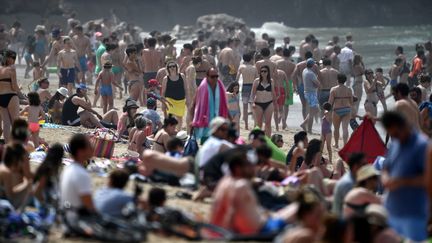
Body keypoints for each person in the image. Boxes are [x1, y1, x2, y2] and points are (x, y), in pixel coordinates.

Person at [210, 147, 292, 234]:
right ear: (238, 168)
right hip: (263, 229)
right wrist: (228, 235)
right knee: (298, 209)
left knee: (291, 209)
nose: (253, 167)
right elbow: (231, 212)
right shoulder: (241, 185)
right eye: (249, 165)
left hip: (264, 222)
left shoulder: (226, 181)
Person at [380, 111, 430, 242]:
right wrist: (385, 178)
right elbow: (386, 167)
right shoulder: (395, 143)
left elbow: (428, 180)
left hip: (414, 214)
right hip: (392, 210)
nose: (395, 137)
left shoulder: (422, 146)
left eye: (396, 133)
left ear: (404, 126)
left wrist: (402, 182)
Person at [191, 68, 230, 142]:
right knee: (206, 143)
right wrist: (193, 121)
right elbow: (193, 105)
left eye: (216, 76)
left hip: (218, 120)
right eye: (212, 76)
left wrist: (230, 119)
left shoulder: (220, 87)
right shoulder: (202, 88)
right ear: (207, 76)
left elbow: (224, 105)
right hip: (205, 121)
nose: (215, 78)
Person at [60, 134, 95, 211]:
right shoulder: (81, 174)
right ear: (80, 152)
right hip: (75, 218)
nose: (93, 148)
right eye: (89, 146)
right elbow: (89, 205)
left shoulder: (67, 169)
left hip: (65, 214)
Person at [332, 153, 367, 217]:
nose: (366, 167)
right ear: (355, 166)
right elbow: (352, 211)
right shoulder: (348, 184)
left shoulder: (352, 178)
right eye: (364, 164)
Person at [0, 143, 32, 210]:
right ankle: (18, 213)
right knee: (28, 186)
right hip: (4, 203)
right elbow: (10, 194)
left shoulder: (4, 167)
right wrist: (26, 183)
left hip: (4, 200)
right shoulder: (6, 171)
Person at [292, 51, 320, 120]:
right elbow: (320, 75)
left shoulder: (299, 65)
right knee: (313, 105)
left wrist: (294, 87)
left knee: (304, 106)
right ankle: (312, 120)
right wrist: (318, 84)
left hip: (301, 86)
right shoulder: (314, 65)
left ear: (304, 57)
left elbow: (293, 76)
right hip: (312, 86)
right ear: (312, 57)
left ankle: (305, 120)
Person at [329, 74, 353, 148]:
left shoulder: (333, 89)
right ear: (345, 80)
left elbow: (330, 102)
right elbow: (351, 102)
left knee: (336, 128)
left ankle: (336, 144)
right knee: (345, 128)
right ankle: (345, 144)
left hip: (337, 110)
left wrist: (327, 111)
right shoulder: (349, 89)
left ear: (337, 80)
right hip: (346, 109)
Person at [0, 50, 20, 142]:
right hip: (11, 96)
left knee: (6, 123)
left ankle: (7, 144)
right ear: (8, 58)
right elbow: (14, 86)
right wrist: (20, 91)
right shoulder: (12, 68)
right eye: (13, 58)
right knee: (15, 122)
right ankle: (17, 143)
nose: (14, 60)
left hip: (1, 97)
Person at [161, 61, 188, 130]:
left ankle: (179, 131)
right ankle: (171, 131)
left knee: (180, 117)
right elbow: (163, 93)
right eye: (170, 67)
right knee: (171, 116)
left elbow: (186, 89)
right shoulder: (166, 78)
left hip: (181, 100)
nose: (172, 68)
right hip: (170, 100)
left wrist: (187, 99)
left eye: (174, 66)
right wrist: (163, 103)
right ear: (168, 68)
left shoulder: (182, 76)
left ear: (176, 67)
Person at [251, 65, 276, 136]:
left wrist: (276, 105)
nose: (263, 73)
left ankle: (268, 139)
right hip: (258, 103)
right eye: (261, 71)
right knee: (259, 123)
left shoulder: (271, 81)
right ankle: (257, 138)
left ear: (268, 72)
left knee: (268, 123)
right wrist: (253, 103)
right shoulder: (256, 81)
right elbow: (252, 93)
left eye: (265, 71)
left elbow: (273, 93)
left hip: (269, 103)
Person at [236, 53, 257, 130]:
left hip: (245, 86)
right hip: (253, 87)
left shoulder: (241, 67)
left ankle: (246, 125)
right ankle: (255, 124)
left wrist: (235, 88)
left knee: (245, 107)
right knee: (253, 106)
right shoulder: (254, 68)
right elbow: (257, 79)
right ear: (251, 59)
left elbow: (237, 79)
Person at [300, 58, 321, 133]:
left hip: (307, 92)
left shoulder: (304, 70)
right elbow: (318, 84)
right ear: (313, 65)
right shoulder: (311, 74)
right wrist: (318, 72)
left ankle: (304, 124)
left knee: (315, 110)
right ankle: (309, 130)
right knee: (313, 112)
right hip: (311, 93)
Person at [142, 37, 164, 102]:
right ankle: (154, 102)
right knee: (155, 89)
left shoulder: (144, 51)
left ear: (147, 43)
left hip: (147, 72)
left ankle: (148, 103)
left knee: (147, 89)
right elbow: (162, 64)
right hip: (156, 72)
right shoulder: (159, 52)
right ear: (155, 43)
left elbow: (142, 62)